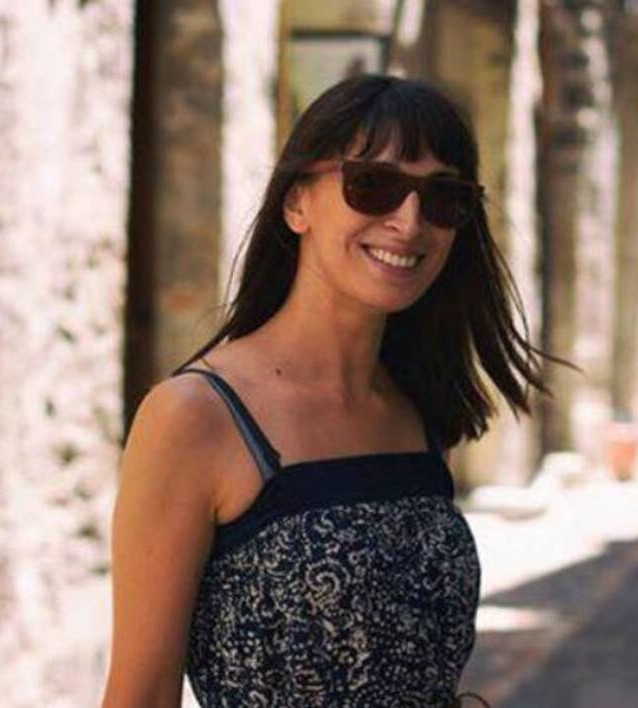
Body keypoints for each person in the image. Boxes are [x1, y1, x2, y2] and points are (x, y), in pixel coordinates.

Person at [102, 74, 574, 707]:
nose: (409, 221)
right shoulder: (195, 417)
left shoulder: (415, 406)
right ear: (296, 203)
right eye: (374, 185)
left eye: (443, 198)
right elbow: (140, 695)